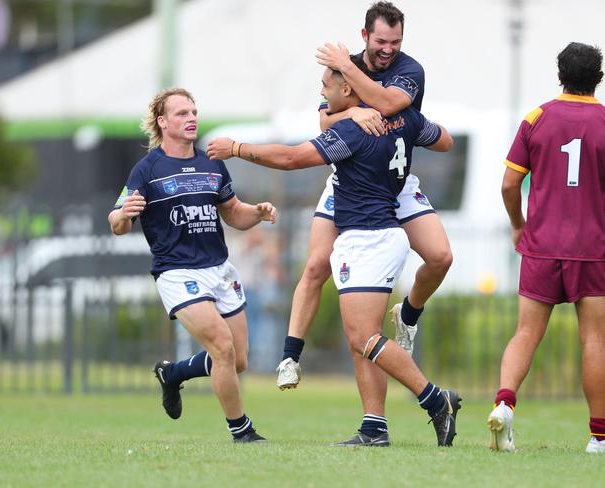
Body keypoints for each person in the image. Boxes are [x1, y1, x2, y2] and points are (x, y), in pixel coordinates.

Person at [207, 61, 461, 447]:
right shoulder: (406, 119)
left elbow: (291, 159)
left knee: (364, 338)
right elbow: (442, 137)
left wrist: (237, 148)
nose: (322, 95)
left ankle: (434, 399)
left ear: (348, 91)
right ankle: (375, 428)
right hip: (380, 235)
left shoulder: (351, 132)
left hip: (367, 238)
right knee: (362, 336)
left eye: (326, 86)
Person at [276, 1, 453, 446]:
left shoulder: (408, 70)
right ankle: (293, 357)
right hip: (349, 179)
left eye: (395, 42)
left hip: (395, 183)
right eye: (380, 41)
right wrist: (352, 111)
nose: (388, 50)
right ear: (364, 35)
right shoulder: (343, 70)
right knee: (318, 267)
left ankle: (409, 315)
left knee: (440, 256)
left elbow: (392, 102)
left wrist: (352, 80)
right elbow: (323, 120)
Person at [109, 88, 276, 443]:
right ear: (162, 121)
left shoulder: (212, 162)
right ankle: (242, 430)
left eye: (194, 112)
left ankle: (174, 374)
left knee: (239, 359)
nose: (191, 118)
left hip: (219, 269)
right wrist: (124, 214)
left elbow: (233, 214)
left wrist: (257, 214)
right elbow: (117, 223)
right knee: (222, 348)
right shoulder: (147, 169)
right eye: (182, 113)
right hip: (177, 272)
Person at [487, 42, 605, 454]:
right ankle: (599, 437)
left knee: (525, 334)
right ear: (599, 78)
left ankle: (504, 404)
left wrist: (519, 226)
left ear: (559, 74)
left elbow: (507, 183)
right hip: (593, 249)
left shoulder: (536, 118)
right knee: (594, 340)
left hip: (541, 246)